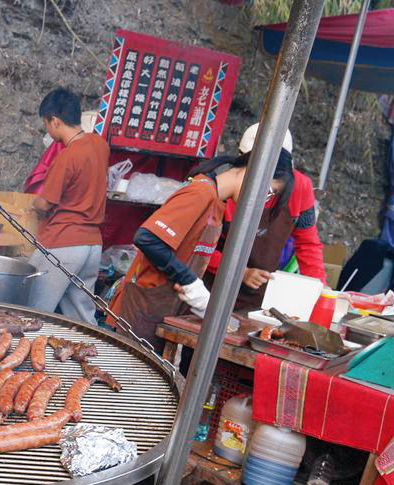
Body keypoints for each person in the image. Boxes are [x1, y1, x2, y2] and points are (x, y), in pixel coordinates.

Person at [109, 150, 293, 349]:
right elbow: (147, 238)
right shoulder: (201, 192)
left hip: (161, 308)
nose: (262, 201)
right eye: (268, 192)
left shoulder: (216, 201)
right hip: (141, 307)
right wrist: (188, 280)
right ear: (253, 172)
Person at [205, 123, 327, 310]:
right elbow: (198, 245)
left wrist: (320, 291)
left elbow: (308, 244)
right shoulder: (225, 186)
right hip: (209, 290)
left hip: (258, 295)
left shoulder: (301, 188)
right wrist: (239, 272)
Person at [26, 88, 110, 324]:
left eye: (46, 124)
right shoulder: (100, 145)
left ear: (54, 120)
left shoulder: (66, 156)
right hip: (93, 244)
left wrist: (32, 205)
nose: (48, 130)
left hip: (63, 243)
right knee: (82, 318)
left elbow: (46, 203)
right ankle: (92, 356)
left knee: (32, 311)